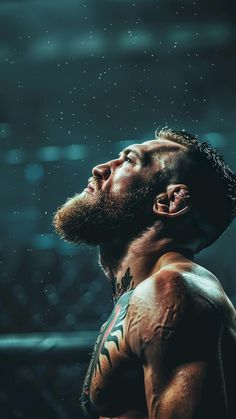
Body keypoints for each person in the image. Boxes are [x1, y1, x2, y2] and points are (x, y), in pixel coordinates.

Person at [53, 128, 236, 419]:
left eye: (129, 160)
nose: (100, 169)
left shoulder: (171, 292)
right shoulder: (154, 292)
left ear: (170, 201)